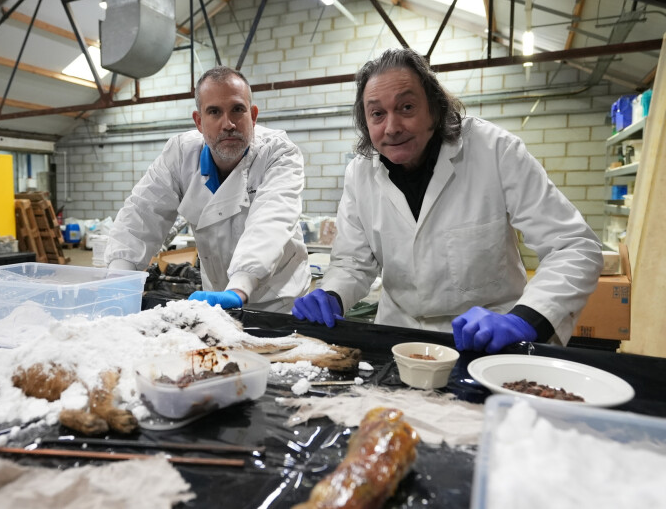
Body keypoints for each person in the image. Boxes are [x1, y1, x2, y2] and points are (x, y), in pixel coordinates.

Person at [292, 48, 603, 352]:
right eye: (377, 114)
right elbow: (353, 262)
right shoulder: (360, 173)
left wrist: (526, 318)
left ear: (434, 109)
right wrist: (332, 293)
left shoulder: (494, 150)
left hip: (487, 341)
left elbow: (573, 246)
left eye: (407, 107)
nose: (392, 127)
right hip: (400, 339)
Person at [105, 66, 311, 313]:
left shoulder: (278, 153)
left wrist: (240, 287)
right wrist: (118, 281)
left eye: (238, 110)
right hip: (218, 293)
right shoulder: (180, 155)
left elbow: (271, 221)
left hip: (278, 299)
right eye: (214, 112)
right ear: (199, 122)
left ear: (253, 116)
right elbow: (141, 215)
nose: (228, 124)